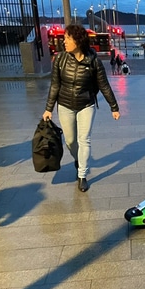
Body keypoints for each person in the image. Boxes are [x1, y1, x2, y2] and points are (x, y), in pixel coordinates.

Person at [42, 24, 120, 192]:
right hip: (64, 105)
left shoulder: (93, 61)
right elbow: (54, 85)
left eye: (68, 39)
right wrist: (48, 109)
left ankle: (82, 174)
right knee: (70, 141)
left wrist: (114, 107)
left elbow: (104, 85)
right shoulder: (60, 59)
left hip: (86, 104)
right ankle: (79, 159)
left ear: (78, 41)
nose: (64, 42)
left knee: (84, 139)